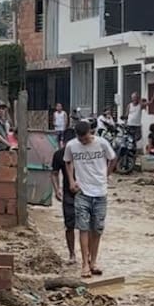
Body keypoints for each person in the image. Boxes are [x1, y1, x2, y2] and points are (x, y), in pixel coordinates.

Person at [64, 119, 116, 279]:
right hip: (82, 193)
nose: (83, 142)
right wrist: (71, 181)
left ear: (90, 133)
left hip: (100, 192)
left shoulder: (102, 143)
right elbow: (67, 162)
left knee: (97, 229)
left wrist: (106, 175)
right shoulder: (72, 146)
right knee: (83, 228)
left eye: (86, 138)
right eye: (81, 139)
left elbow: (113, 158)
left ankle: (93, 261)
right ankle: (84, 264)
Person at [50, 128, 77, 265]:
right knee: (69, 225)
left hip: (86, 193)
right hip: (68, 194)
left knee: (87, 226)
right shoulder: (59, 154)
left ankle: (88, 255)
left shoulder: (83, 154)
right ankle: (72, 254)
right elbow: (54, 173)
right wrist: (57, 189)